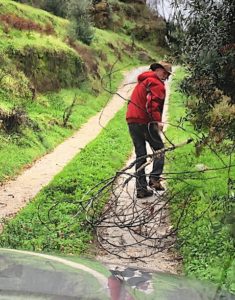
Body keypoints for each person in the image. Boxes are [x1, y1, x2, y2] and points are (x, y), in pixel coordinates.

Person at [126, 61, 172, 198]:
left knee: (141, 155)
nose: (165, 77)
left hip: (132, 121)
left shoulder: (142, 81)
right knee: (159, 149)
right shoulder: (156, 83)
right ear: (157, 70)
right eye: (164, 73)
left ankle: (141, 189)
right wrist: (157, 121)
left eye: (168, 75)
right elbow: (153, 103)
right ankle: (154, 179)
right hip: (145, 121)